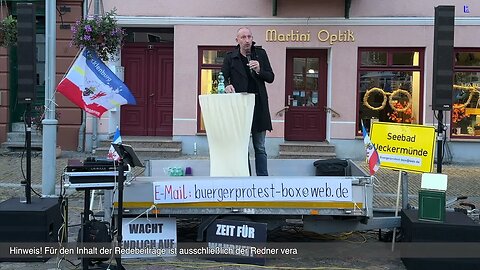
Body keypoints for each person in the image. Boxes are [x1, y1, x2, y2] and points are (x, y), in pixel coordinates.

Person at [222, 27, 275, 176]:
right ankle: (246, 178)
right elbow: (222, 76)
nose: (247, 40)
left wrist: (259, 70)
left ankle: (263, 179)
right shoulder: (230, 57)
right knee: (242, 148)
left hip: (258, 107)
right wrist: (227, 85)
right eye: (243, 37)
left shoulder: (260, 54)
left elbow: (270, 77)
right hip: (240, 108)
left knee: (260, 147)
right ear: (237, 40)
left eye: (249, 37)